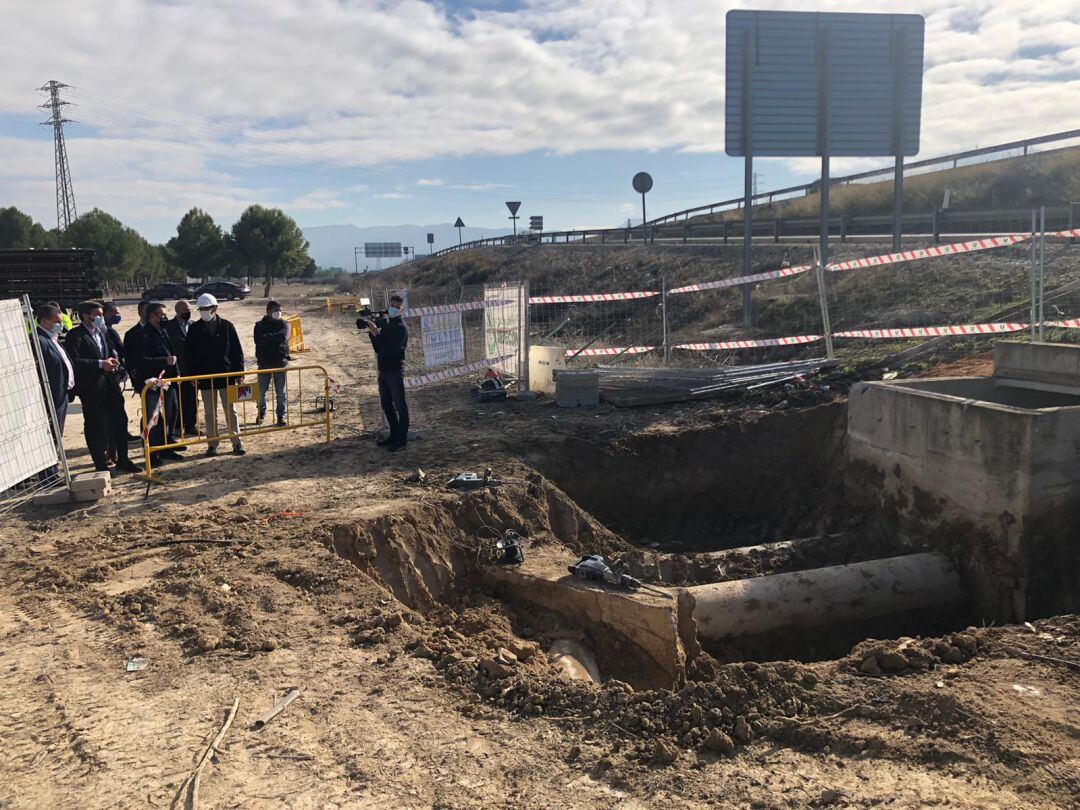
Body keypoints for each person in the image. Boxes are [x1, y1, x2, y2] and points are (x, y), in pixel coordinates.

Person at [64, 301, 140, 474]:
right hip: (92, 389)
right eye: (97, 314)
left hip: (110, 385)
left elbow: (108, 353)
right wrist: (100, 364)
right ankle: (100, 463)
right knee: (95, 426)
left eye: (101, 314)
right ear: (85, 315)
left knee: (120, 421)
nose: (100, 317)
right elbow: (74, 361)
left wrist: (111, 362)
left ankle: (123, 459)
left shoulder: (103, 332)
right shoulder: (75, 335)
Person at [185, 293, 246, 456]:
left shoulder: (227, 326)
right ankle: (212, 444)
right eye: (202, 309)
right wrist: (192, 376)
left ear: (215, 308)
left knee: (230, 410)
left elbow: (236, 351)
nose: (204, 311)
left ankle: (237, 442)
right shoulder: (194, 329)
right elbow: (189, 355)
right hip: (205, 379)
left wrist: (239, 372)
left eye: (207, 308)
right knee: (210, 412)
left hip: (226, 376)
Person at [133, 301, 184, 465]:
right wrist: (164, 361)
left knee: (169, 415)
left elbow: (172, 353)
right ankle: (151, 452)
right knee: (152, 419)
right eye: (161, 314)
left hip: (168, 383)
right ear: (151, 315)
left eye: (164, 314)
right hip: (152, 384)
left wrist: (176, 374)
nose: (164, 317)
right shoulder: (142, 334)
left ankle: (165, 448)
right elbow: (140, 360)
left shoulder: (164, 330)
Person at [367, 293, 409, 451]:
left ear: (402, 310)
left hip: (395, 370)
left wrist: (376, 335)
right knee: (386, 404)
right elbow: (378, 347)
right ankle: (394, 433)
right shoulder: (386, 324)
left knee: (400, 405)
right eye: (392, 306)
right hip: (383, 370)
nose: (394, 309)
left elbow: (391, 349)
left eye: (397, 307)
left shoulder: (401, 328)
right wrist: (372, 333)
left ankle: (402, 438)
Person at [34, 302, 74, 433]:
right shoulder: (39, 340)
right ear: (45, 321)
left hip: (63, 394)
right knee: (53, 433)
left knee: (59, 430)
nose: (60, 325)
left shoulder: (53, 338)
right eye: (57, 322)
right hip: (52, 396)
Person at [253, 299, 290, 426]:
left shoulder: (285, 324)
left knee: (281, 393)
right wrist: (275, 337)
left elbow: (284, 338)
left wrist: (267, 337)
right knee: (261, 392)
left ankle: (281, 416)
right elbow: (259, 340)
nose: (278, 313)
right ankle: (261, 413)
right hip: (264, 364)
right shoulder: (259, 325)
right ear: (268, 311)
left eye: (280, 310)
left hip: (280, 363)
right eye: (275, 310)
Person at [165, 299, 198, 436]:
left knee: (192, 398)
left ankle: (191, 425)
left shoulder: (194, 325)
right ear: (178, 310)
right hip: (176, 369)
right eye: (185, 310)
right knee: (177, 399)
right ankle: (178, 427)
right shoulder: (168, 327)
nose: (188, 312)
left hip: (192, 369)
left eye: (190, 310)